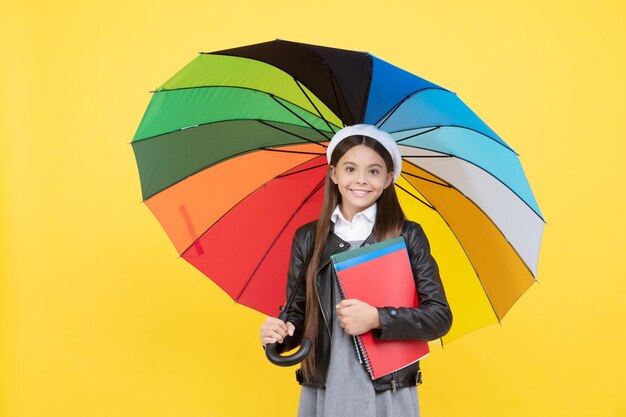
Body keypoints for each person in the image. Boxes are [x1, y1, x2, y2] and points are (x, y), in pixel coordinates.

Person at [260, 124, 452, 417]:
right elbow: (298, 315)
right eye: (350, 169)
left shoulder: (406, 235)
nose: (361, 180)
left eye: (373, 171)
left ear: (389, 178)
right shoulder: (309, 238)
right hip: (325, 387)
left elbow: (439, 317)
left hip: (387, 391)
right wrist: (280, 335)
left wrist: (378, 318)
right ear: (334, 173)